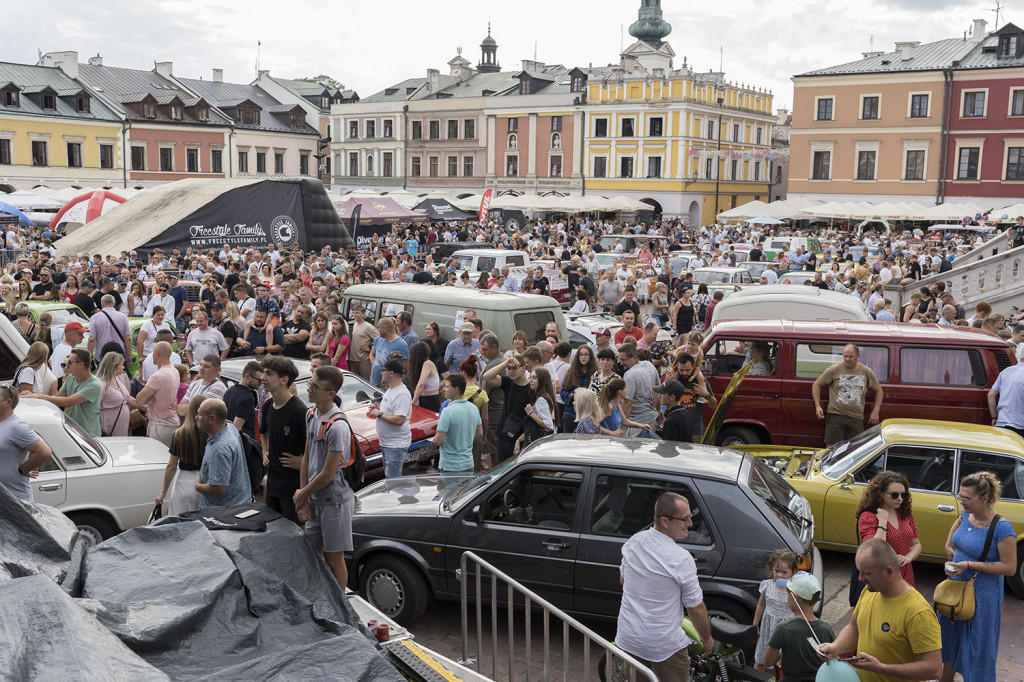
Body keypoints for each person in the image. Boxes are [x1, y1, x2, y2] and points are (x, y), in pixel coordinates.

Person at [615, 491, 714, 679]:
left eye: (690, 517)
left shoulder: (634, 541)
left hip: (629, 637)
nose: (690, 524)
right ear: (665, 521)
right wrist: (707, 639)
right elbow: (695, 607)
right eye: (685, 519)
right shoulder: (681, 558)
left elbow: (623, 580)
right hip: (663, 645)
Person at [818, 538, 942, 681]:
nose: (860, 578)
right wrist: (836, 647)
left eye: (867, 573)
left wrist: (881, 668)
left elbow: (934, 669)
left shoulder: (918, 613)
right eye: (859, 572)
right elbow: (855, 627)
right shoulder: (869, 590)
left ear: (888, 571)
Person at [939, 471, 1017, 682]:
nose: (962, 502)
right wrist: (948, 545)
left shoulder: (1002, 527)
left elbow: (1009, 567)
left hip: (982, 595)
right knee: (950, 640)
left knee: (976, 647)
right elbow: (957, 524)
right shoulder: (966, 514)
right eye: (960, 496)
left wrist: (970, 564)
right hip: (956, 589)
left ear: (985, 498)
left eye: (967, 498)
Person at [294, 364, 355, 588]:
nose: (309, 389)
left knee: (333, 557)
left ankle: (340, 607)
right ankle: (320, 596)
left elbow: (328, 474)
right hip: (315, 498)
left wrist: (303, 494)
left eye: (315, 387)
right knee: (312, 552)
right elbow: (306, 457)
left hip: (334, 502)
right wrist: (305, 497)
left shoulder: (338, 426)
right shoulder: (311, 414)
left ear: (331, 394)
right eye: (310, 383)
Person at [260, 356, 307, 524]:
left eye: (268, 374)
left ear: (284, 380)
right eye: (263, 373)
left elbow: (315, 446)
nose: (262, 378)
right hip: (273, 484)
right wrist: (265, 450)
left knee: (295, 534)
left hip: (293, 487)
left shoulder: (299, 411)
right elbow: (263, 432)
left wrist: (302, 462)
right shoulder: (267, 406)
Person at [764, 571, 835, 682]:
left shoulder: (783, 629)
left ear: (794, 597)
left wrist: (781, 650)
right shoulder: (826, 627)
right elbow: (832, 658)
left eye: (788, 593)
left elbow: (768, 662)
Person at [856, 471, 921, 588]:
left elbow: (916, 544)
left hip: (905, 572)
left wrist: (908, 557)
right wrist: (882, 522)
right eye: (894, 495)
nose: (900, 499)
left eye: (904, 495)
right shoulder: (868, 516)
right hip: (881, 575)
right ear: (880, 493)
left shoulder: (904, 514)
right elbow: (874, 549)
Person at [811, 344, 883, 446]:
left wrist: (876, 411)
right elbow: (816, 385)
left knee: (857, 449)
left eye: (851, 356)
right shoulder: (834, 369)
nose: (847, 359)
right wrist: (818, 406)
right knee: (831, 449)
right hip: (836, 416)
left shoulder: (866, 371)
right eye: (845, 356)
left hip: (856, 418)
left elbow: (879, 391)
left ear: (858, 356)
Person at [24, 349, 103, 437]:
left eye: (70, 362)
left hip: (89, 435)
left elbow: (67, 402)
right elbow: (57, 397)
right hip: (73, 432)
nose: (67, 366)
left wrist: (38, 396)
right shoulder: (71, 378)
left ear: (80, 365)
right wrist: (33, 395)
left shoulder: (95, 385)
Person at [194, 398, 252, 508]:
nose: (196, 417)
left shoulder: (220, 449)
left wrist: (198, 486)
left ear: (212, 419)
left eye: (199, 414)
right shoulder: (229, 426)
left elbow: (219, 487)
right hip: (237, 503)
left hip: (223, 512)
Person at [156, 394, 208, 516]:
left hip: (183, 483)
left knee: (180, 526)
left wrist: (163, 492)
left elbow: (171, 466)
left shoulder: (179, 434)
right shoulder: (211, 433)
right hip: (206, 483)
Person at [0, 385, 53, 503]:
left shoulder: (17, 426)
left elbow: (44, 452)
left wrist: (23, 469)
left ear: (8, 402)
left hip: (15, 500)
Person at [752, 549, 799, 671]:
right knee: (761, 659)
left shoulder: (795, 590)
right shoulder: (767, 585)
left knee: (785, 662)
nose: (779, 575)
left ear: (793, 572)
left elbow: (799, 610)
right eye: (776, 571)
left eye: (784, 572)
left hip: (787, 630)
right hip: (768, 628)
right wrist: (755, 624)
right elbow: (761, 605)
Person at [483, 354, 531, 463]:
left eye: (514, 368)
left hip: (521, 438)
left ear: (524, 368)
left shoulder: (531, 388)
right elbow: (487, 376)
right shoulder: (508, 382)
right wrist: (506, 363)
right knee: (504, 473)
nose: (511, 371)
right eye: (509, 369)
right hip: (504, 436)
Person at [432, 374, 482, 476]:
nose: (443, 389)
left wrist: (434, 439)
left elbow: (438, 441)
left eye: (447, 386)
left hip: (450, 467)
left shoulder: (447, 412)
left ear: (456, 389)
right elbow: (480, 433)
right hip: (468, 464)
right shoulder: (474, 408)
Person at [370, 359, 413, 478]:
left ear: (391, 373)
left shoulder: (402, 394)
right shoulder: (391, 390)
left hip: (396, 446)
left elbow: (399, 420)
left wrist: (379, 414)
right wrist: (378, 409)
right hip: (388, 444)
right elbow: (392, 411)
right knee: (390, 479)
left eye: (383, 370)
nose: (381, 373)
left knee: (393, 482)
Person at [134, 342, 181, 447]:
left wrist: (149, 396)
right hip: (171, 422)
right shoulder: (175, 371)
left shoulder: (157, 376)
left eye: (153, 352)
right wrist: (150, 396)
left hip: (160, 426)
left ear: (157, 354)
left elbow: (139, 400)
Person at [618, 344, 660, 437]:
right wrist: (658, 410)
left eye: (624, 360)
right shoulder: (649, 364)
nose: (621, 363)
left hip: (638, 423)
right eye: (619, 360)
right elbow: (658, 389)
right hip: (652, 418)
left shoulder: (629, 375)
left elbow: (627, 403)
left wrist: (623, 428)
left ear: (634, 357)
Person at [515, 366, 557, 452]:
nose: (530, 380)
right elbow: (534, 425)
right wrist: (519, 440)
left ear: (542, 380)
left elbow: (549, 425)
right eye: (530, 377)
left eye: (534, 378)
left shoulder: (542, 399)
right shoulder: (544, 397)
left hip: (540, 446)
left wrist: (531, 413)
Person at [96, 352, 135, 437]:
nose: (123, 367)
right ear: (114, 366)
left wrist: (144, 406)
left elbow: (127, 398)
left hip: (121, 427)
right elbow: (95, 407)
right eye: (121, 365)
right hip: (109, 426)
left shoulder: (118, 378)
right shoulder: (101, 384)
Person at [559, 345, 596, 433]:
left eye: (586, 354)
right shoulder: (571, 372)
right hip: (570, 413)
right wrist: (572, 395)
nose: (583, 357)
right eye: (581, 354)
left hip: (587, 415)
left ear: (590, 357)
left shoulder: (595, 373)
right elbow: (563, 392)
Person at [988, 351, 1024, 438]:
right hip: (1020, 425)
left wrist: (994, 417)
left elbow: (991, 395)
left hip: (1001, 422)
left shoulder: (1006, 371)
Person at [224, 360, 262, 441]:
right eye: (259, 380)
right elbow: (236, 428)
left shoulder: (229, 391)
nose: (260, 383)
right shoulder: (247, 399)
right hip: (243, 445)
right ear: (247, 377)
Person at [87, 294, 131, 364]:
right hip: (119, 354)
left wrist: (90, 356)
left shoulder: (95, 318)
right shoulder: (123, 317)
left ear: (102, 303)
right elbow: (127, 338)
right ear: (114, 303)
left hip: (102, 354)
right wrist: (129, 355)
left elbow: (91, 339)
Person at [369, 317, 409, 387]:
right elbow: (376, 360)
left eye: (378, 327)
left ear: (385, 328)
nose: (377, 330)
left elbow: (405, 367)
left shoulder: (401, 345)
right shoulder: (379, 340)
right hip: (374, 385)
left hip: (387, 387)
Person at [408, 340, 441, 412]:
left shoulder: (428, 363)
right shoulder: (423, 365)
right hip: (424, 398)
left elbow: (421, 384)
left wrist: (414, 400)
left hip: (431, 399)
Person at [347, 304, 377, 381]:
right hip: (353, 359)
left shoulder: (368, 327)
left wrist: (370, 348)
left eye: (357, 313)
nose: (355, 315)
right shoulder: (355, 325)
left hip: (364, 360)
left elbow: (380, 339)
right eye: (353, 313)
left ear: (363, 314)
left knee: (365, 381)